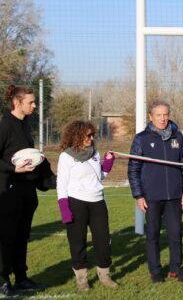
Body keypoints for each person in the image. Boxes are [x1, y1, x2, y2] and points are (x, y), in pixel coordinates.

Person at [128, 100, 183, 284]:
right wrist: (138, 195)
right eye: (158, 115)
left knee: (175, 234)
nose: (163, 118)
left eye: (165, 114)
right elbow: (133, 169)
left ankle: (175, 269)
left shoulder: (177, 137)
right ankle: (155, 271)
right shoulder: (141, 139)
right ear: (151, 117)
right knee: (153, 235)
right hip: (151, 197)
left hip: (174, 195)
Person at [0, 85, 54, 296]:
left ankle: (21, 278)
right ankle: (3, 281)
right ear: (17, 102)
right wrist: (13, 168)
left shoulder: (25, 125)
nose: (34, 105)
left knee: (22, 236)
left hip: (26, 190)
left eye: (34, 102)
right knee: (6, 237)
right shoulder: (5, 125)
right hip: (8, 189)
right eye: (31, 102)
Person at [56, 120, 118, 291]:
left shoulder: (94, 153)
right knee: (77, 242)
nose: (91, 138)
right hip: (76, 202)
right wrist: (64, 209)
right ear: (76, 136)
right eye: (88, 135)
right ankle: (82, 279)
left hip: (97, 202)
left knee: (103, 241)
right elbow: (61, 184)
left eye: (93, 135)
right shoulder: (66, 156)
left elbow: (100, 176)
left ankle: (105, 276)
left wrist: (108, 161)